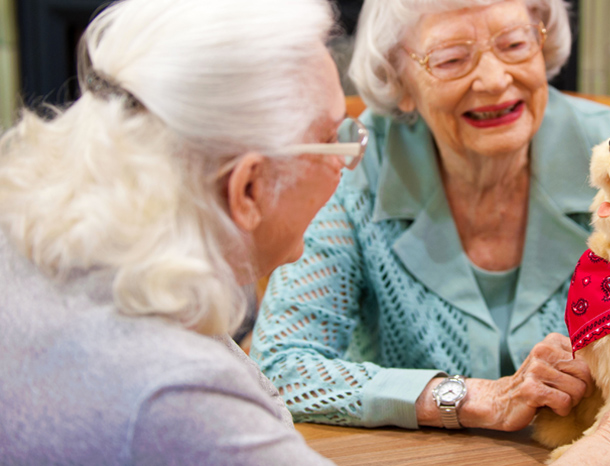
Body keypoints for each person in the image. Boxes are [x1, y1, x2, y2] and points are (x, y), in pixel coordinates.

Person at [250, 0, 610, 436]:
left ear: (543, 46)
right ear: (400, 84)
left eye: (515, 44)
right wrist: (475, 399)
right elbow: (279, 369)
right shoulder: (358, 164)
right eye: (451, 59)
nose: (495, 80)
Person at [0, 0, 360, 463]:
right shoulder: (177, 396)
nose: (345, 162)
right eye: (331, 140)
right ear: (247, 188)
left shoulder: (45, 243)